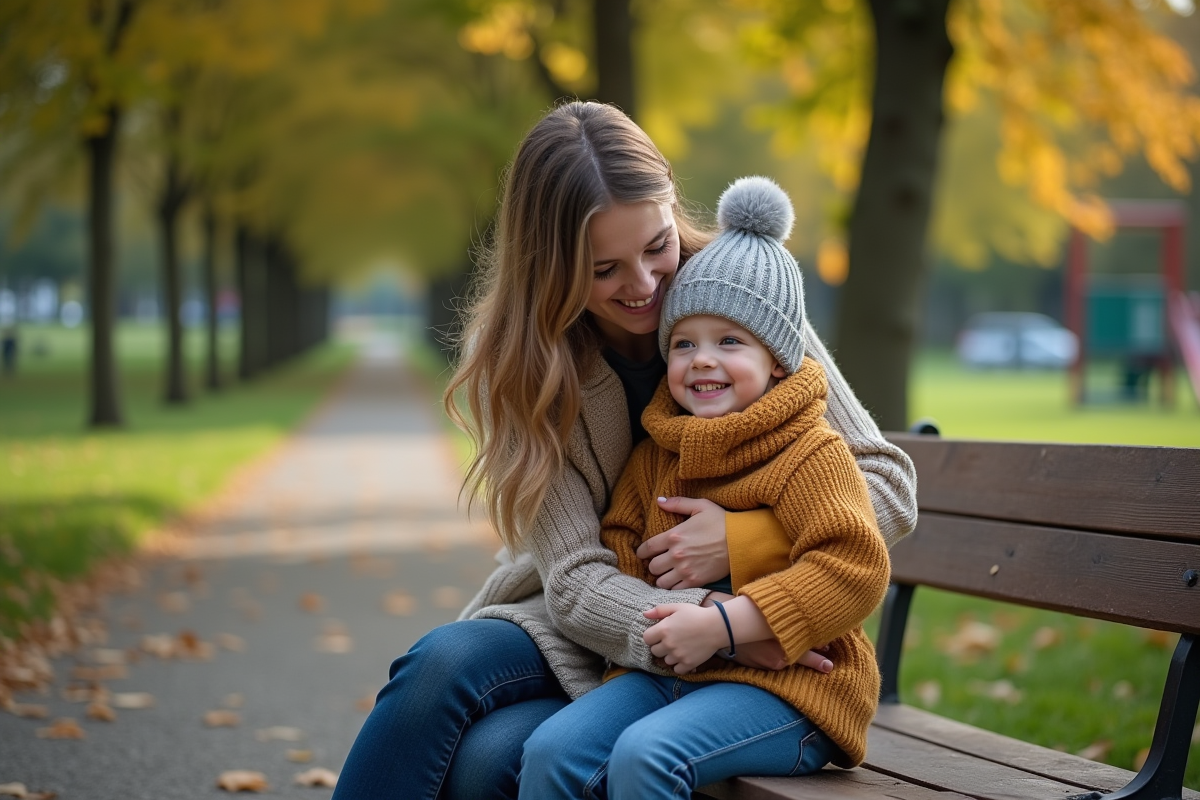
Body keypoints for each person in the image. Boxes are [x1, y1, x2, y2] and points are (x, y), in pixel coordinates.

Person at [331, 101, 916, 800]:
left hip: (739, 625)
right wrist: (709, 626)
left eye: (656, 246)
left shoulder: (732, 293)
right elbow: (575, 578)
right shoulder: (525, 366)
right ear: (549, 267)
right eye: (604, 268)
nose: (643, 286)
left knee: (492, 760)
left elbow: (883, 482)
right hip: (589, 611)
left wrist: (744, 545)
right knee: (439, 667)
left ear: (673, 212)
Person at [519, 176, 889, 798]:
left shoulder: (810, 451)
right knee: (552, 751)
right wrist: (678, 622)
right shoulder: (658, 452)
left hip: (795, 687)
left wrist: (724, 627)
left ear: (778, 357)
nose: (703, 359)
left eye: (730, 341)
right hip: (675, 668)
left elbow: (853, 565)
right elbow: (620, 546)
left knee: (647, 755)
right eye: (683, 342)